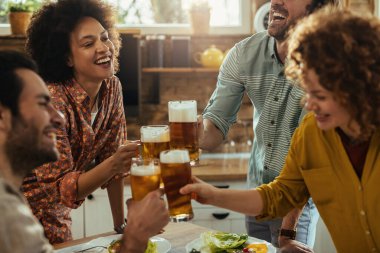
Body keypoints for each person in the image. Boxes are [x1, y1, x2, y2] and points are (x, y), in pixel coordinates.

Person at [182, 6, 380, 253]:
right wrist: (210, 195)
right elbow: (281, 195)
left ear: (357, 86)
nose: (308, 103)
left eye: (318, 94)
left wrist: (289, 230)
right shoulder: (312, 132)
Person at [199, 0, 340, 250]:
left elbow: (310, 161)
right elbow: (210, 136)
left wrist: (288, 230)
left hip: (298, 206)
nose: (275, 1)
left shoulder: (327, 66)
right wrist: (175, 135)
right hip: (256, 192)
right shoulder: (244, 53)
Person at [0, 50, 169, 253]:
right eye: (43, 103)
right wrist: (135, 236)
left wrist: (123, 228)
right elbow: (62, 186)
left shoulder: (10, 200)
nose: (59, 118)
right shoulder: (6, 212)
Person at [22, 0, 139, 244]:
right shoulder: (51, 99)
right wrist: (115, 162)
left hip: (57, 218)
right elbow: (62, 188)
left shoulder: (112, 88)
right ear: (66, 58)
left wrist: (121, 228)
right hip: (17, 218)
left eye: (105, 38)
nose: (103, 47)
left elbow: (113, 163)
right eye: (88, 43)